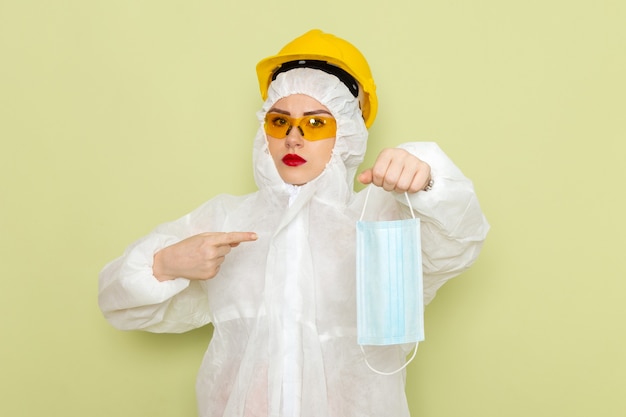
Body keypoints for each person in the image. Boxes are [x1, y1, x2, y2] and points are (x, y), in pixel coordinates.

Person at [98, 29, 489, 417]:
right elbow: (118, 304)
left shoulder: (382, 219)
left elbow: (460, 241)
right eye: (279, 122)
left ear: (348, 134)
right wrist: (165, 265)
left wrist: (427, 179)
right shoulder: (227, 221)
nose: (294, 139)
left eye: (317, 124)